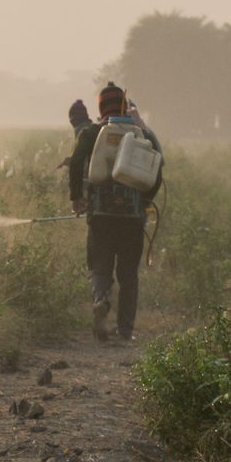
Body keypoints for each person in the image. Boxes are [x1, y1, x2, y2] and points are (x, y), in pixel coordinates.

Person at [68, 84, 163, 343]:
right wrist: (144, 200)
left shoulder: (94, 132)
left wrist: (77, 196)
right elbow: (158, 164)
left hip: (100, 215)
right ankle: (125, 330)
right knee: (128, 273)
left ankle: (101, 300)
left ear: (101, 108)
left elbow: (76, 160)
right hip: (132, 217)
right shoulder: (141, 133)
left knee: (100, 265)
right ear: (124, 106)